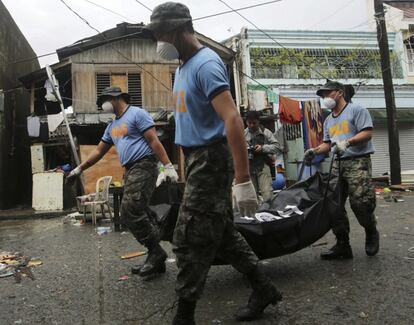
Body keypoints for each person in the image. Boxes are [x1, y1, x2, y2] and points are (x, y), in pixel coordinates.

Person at [145, 2, 282, 324]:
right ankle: (263, 288)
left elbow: (232, 118)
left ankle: (185, 314)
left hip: (211, 158)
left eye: (161, 33)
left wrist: (243, 179)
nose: (158, 41)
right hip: (196, 158)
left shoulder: (206, 64)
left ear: (179, 29)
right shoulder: (182, 67)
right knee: (220, 232)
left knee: (188, 237)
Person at [67, 86, 178, 276]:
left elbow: (153, 141)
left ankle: (156, 252)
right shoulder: (112, 127)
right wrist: (79, 169)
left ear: (116, 98)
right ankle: (156, 255)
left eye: (105, 99)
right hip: (130, 170)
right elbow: (99, 151)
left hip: (144, 165)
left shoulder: (137, 114)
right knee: (135, 211)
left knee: (129, 210)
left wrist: (167, 165)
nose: (102, 104)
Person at [304, 80, 379, 260]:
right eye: (322, 95)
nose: (325, 98)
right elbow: (328, 144)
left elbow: (367, 133)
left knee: (360, 203)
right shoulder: (329, 119)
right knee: (333, 204)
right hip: (337, 163)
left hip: (357, 161)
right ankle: (343, 245)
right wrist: (314, 151)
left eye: (327, 93)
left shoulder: (357, 110)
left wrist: (348, 142)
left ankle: (371, 230)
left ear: (339, 92)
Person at [244, 110, 280, 202]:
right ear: (246, 122)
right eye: (249, 123)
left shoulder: (266, 132)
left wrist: (263, 148)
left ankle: (270, 213)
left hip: (263, 165)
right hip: (249, 167)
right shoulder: (243, 134)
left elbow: (277, 146)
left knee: (267, 194)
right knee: (252, 197)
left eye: (254, 123)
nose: (251, 125)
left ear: (258, 121)